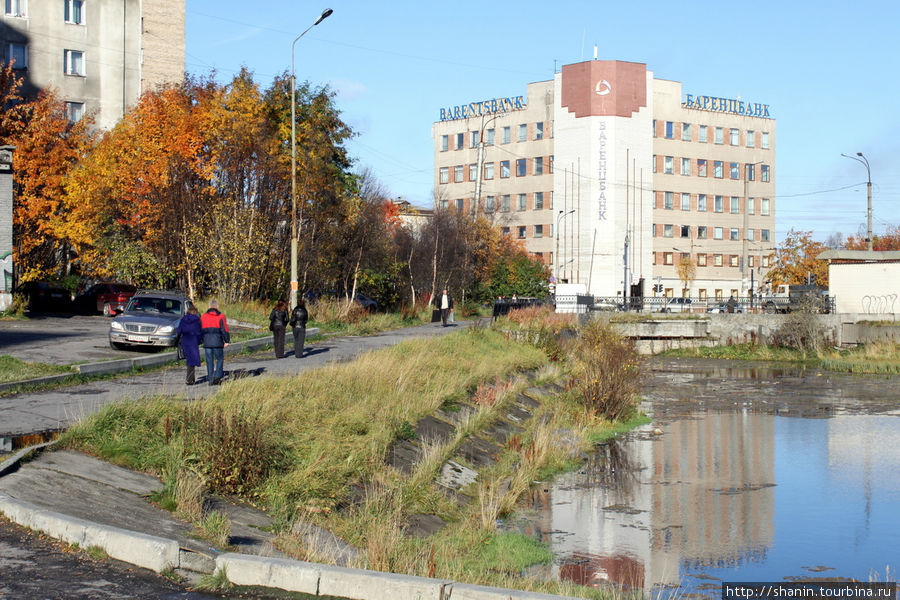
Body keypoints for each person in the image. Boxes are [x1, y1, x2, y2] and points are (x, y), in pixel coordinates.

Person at [200, 299, 230, 385]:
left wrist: (201, 340)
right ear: (217, 306)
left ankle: (210, 379)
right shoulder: (221, 316)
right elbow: (224, 329)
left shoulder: (203, 316)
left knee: (209, 361)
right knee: (219, 359)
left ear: (209, 306)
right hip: (218, 342)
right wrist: (227, 340)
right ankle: (218, 376)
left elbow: (200, 330)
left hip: (207, 342)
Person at [176, 304, 202, 385]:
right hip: (193, 340)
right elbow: (200, 331)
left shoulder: (183, 319)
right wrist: (200, 340)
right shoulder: (197, 320)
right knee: (192, 360)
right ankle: (189, 379)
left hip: (185, 340)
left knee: (189, 359)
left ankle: (191, 378)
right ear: (195, 312)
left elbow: (179, 331)